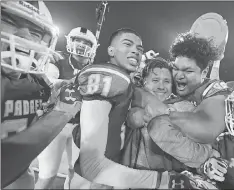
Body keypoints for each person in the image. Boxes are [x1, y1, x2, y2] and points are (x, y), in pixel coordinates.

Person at [71, 28, 195, 189]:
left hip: (112, 176)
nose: (135, 51)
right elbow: (92, 166)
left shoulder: (128, 85)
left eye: (139, 48)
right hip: (95, 180)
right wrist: (166, 180)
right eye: (127, 44)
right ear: (111, 50)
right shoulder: (109, 77)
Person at [1, 1, 81, 188]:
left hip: (20, 176)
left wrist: (58, 91)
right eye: (10, 21)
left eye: (35, 32)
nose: (25, 36)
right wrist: (61, 114)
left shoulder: (38, 81)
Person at [138, 32, 231, 169]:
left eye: (188, 71)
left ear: (204, 73)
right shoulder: (172, 82)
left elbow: (206, 130)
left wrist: (162, 111)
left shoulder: (214, 92)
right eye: (175, 68)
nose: (179, 76)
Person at [122, 57, 213, 172]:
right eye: (155, 80)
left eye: (167, 81)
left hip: (171, 180)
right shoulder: (129, 102)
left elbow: (205, 150)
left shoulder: (187, 109)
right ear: (144, 82)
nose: (161, 86)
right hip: (131, 178)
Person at [35, 27, 98, 189]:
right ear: (70, 40)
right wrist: (68, 81)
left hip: (81, 127)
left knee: (76, 174)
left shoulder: (95, 70)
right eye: (78, 40)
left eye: (86, 42)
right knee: (47, 175)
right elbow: (47, 82)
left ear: (93, 47)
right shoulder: (58, 59)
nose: (81, 44)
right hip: (55, 123)